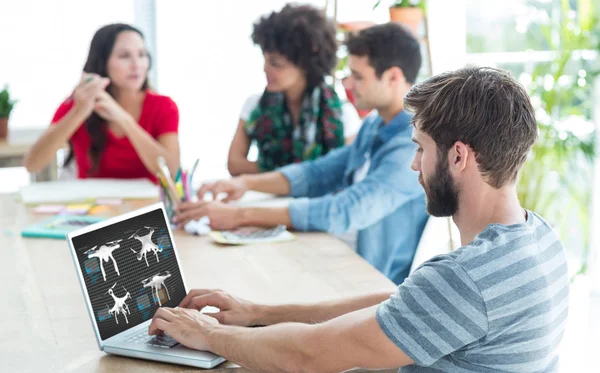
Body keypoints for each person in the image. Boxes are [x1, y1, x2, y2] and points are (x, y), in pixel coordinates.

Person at [150, 66, 569, 372]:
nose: (413, 165)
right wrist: (258, 312)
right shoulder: (539, 237)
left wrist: (208, 335)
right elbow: (403, 305)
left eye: (421, 148)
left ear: (458, 156)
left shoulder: (469, 278)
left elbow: (311, 353)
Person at [176, 23, 428, 285]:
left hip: (371, 278)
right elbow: (318, 172)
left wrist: (240, 215)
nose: (349, 83)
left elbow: (346, 210)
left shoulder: (412, 144)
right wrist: (244, 183)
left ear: (393, 77)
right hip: (340, 253)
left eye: (358, 76)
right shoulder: (375, 125)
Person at [24, 23, 180, 183]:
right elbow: (32, 164)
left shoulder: (163, 106)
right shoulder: (80, 102)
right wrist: (78, 113)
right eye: (124, 56)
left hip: (149, 206)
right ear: (102, 61)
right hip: (94, 204)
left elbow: (173, 172)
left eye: (142, 54)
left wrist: (124, 120)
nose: (136, 65)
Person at [227, 4, 362, 176]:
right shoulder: (255, 105)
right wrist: (303, 172)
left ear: (305, 65)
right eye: (265, 60)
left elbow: (345, 171)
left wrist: (278, 174)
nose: (265, 69)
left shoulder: (342, 114)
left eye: (276, 64)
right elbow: (234, 165)